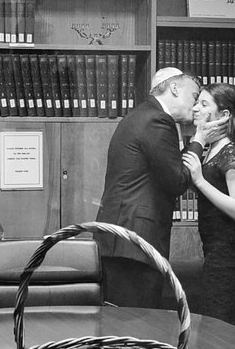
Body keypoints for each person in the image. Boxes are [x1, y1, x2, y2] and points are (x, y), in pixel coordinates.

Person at [94, 67, 222, 308]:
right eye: (194, 97)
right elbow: (176, 181)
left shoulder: (143, 114)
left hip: (122, 241)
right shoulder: (157, 120)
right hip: (135, 243)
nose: (195, 107)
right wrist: (200, 139)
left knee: (122, 326)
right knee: (138, 327)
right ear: (174, 88)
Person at [181, 83, 235, 333]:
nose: (195, 108)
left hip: (230, 254)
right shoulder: (212, 149)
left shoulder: (230, 152)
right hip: (218, 250)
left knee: (224, 326)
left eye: (204, 105)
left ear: (224, 115)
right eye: (197, 103)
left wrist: (200, 182)